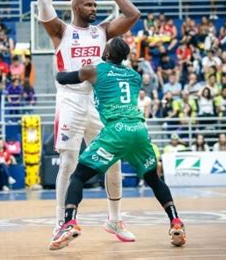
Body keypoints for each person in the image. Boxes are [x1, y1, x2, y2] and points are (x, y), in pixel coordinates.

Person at [50, 38, 186, 250]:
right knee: (153, 179)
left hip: (116, 131)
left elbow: (62, 77)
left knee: (77, 176)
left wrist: (62, 60)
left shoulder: (94, 70)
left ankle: (69, 222)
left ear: (106, 54)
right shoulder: (134, 76)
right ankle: (175, 221)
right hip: (139, 130)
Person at [38, 0, 141, 241]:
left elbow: (133, 15)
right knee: (69, 161)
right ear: (75, 8)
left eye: (95, 3)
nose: (93, 7)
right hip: (70, 100)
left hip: (98, 101)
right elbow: (43, 1)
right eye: (88, 4)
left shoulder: (102, 31)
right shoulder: (60, 30)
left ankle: (115, 220)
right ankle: (61, 223)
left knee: (113, 160)